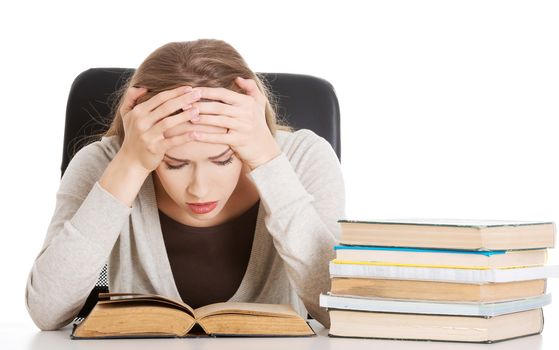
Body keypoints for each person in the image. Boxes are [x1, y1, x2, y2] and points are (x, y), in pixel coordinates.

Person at [25, 39, 345, 331]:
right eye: (174, 163)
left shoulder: (303, 158)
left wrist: (268, 163)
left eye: (222, 160)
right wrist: (129, 166)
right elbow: (46, 311)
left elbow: (340, 310)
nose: (200, 189)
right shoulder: (107, 163)